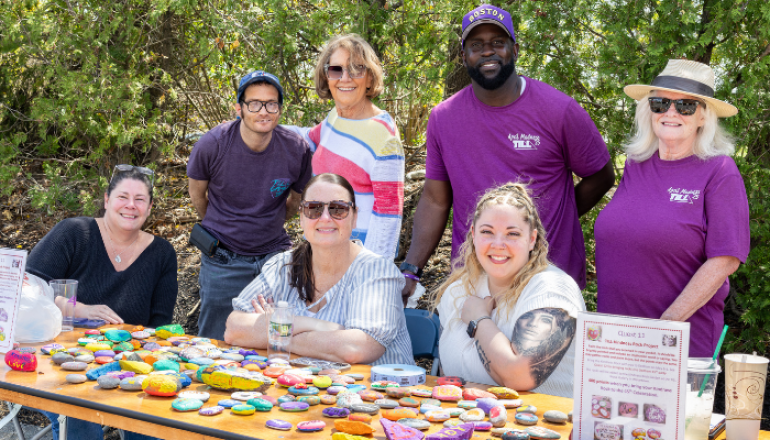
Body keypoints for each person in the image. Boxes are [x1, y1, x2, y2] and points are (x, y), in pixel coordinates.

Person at [399, 4, 614, 304]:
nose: (487, 52)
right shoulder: (444, 118)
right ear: (464, 57)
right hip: (473, 280)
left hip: (546, 278)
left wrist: (552, 221)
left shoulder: (558, 110)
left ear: (515, 50)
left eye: (497, 43)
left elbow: (601, 175)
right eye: (476, 45)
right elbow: (435, 199)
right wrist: (411, 270)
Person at [595, 59, 750, 357]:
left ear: (704, 116)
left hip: (677, 345)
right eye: (660, 102)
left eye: (686, 106)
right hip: (614, 341)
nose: (671, 112)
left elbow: (726, 259)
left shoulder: (719, 170)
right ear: (648, 110)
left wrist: (665, 327)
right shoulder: (635, 165)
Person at [26, 165, 173, 440]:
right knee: (80, 418)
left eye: (140, 199)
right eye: (122, 197)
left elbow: (159, 326)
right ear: (106, 199)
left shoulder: (162, 254)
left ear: (150, 207)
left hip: (127, 361)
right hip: (55, 359)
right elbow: (27, 289)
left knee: (153, 417)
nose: (131, 205)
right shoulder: (74, 233)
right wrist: (78, 308)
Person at [224, 173, 413, 366]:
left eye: (337, 209)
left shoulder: (376, 272)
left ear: (354, 217)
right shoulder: (283, 266)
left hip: (381, 392)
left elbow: (357, 349)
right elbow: (234, 328)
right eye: (313, 208)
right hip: (305, 389)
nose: (325, 218)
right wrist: (315, 325)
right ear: (302, 218)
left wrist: (276, 333)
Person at [187, 70, 313, 340]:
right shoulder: (213, 144)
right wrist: (223, 224)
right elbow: (198, 194)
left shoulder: (296, 149)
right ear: (239, 108)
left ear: (280, 109)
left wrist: (274, 220)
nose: (263, 111)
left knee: (278, 336)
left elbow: (297, 199)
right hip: (223, 257)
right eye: (254, 103)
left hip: (274, 257)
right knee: (215, 340)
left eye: (271, 104)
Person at [433, 183, 585, 398]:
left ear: (532, 239)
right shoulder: (458, 290)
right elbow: (447, 377)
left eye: (512, 234)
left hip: (541, 426)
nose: (498, 244)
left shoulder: (552, 288)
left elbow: (520, 375)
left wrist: (479, 319)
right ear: (473, 235)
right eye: (487, 232)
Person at [286, 34, 404, 259]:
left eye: (357, 69)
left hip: (357, 248)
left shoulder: (383, 136)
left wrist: (374, 273)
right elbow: (308, 138)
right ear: (326, 76)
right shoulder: (336, 117)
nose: (345, 78)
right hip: (323, 238)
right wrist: (262, 125)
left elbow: (388, 215)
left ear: (370, 78)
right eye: (336, 70)